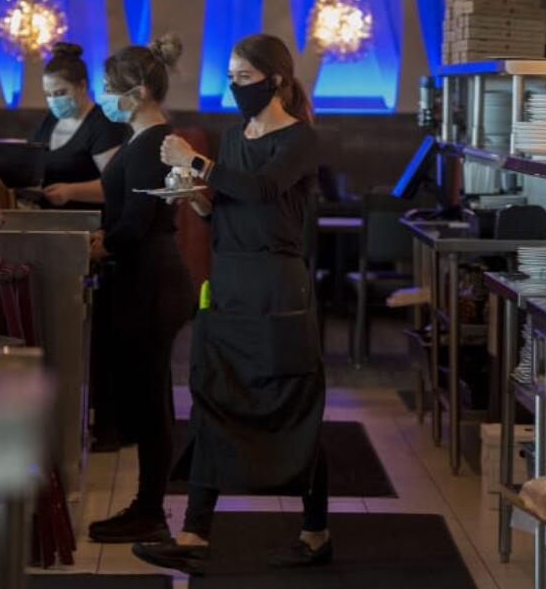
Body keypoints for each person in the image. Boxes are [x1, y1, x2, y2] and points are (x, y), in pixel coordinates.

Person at [133, 33, 328, 575]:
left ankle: (315, 527)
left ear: (277, 80)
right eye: (231, 78)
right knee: (214, 396)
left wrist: (196, 163)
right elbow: (226, 209)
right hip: (230, 283)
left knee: (291, 400)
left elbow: (263, 191)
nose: (236, 87)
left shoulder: (300, 140)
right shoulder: (231, 136)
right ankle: (195, 532)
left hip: (278, 285)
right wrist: (194, 197)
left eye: (245, 78)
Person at [86, 34, 194, 543]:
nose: (104, 94)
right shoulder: (140, 138)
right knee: (147, 398)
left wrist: (100, 245)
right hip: (143, 275)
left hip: (153, 279)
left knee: (152, 401)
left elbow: (137, 221)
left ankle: (150, 510)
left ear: (141, 91)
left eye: (110, 86)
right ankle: (147, 504)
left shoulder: (153, 141)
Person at [29, 42, 129, 207]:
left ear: (82, 86)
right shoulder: (50, 120)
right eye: (48, 94)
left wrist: (71, 191)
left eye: (60, 93)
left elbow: (117, 185)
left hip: (90, 223)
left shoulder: (104, 124)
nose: (54, 100)